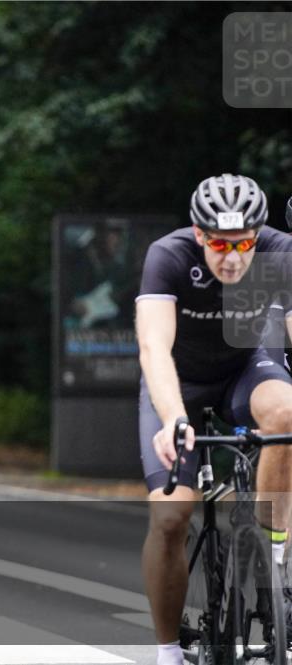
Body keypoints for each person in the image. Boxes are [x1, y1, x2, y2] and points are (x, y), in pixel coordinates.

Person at [136, 174, 292, 665]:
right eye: (219, 243)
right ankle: (167, 651)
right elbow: (153, 347)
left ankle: (274, 552)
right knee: (171, 516)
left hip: (248, 368)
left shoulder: (280, 254)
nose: (232, 257)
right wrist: (174, 419)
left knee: (286, 414)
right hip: (178, 381)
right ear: (199, 234)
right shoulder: (170, 256)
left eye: (243, 242)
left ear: (259, 233)